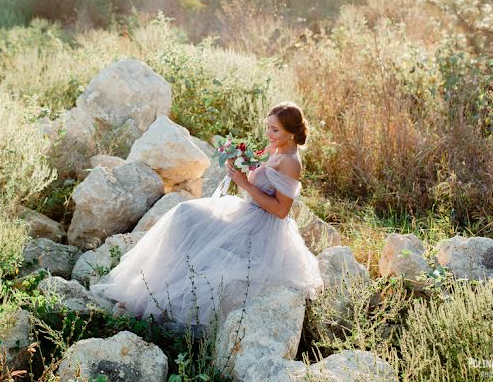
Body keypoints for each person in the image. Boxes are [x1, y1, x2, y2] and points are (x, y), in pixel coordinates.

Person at [90, 102, 324, 331]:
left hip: (261, 228)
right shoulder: (276, 148)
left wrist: (243, 182)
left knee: (189, 219)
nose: (268, 134)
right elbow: (257, 186)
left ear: (291, 133)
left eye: (275, 130)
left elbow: (281, 211)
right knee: (186, 216)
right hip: (246, 212)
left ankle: (161, 298)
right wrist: (240, 168)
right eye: (268, 127)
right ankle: (153, 287)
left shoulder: (291, 162)